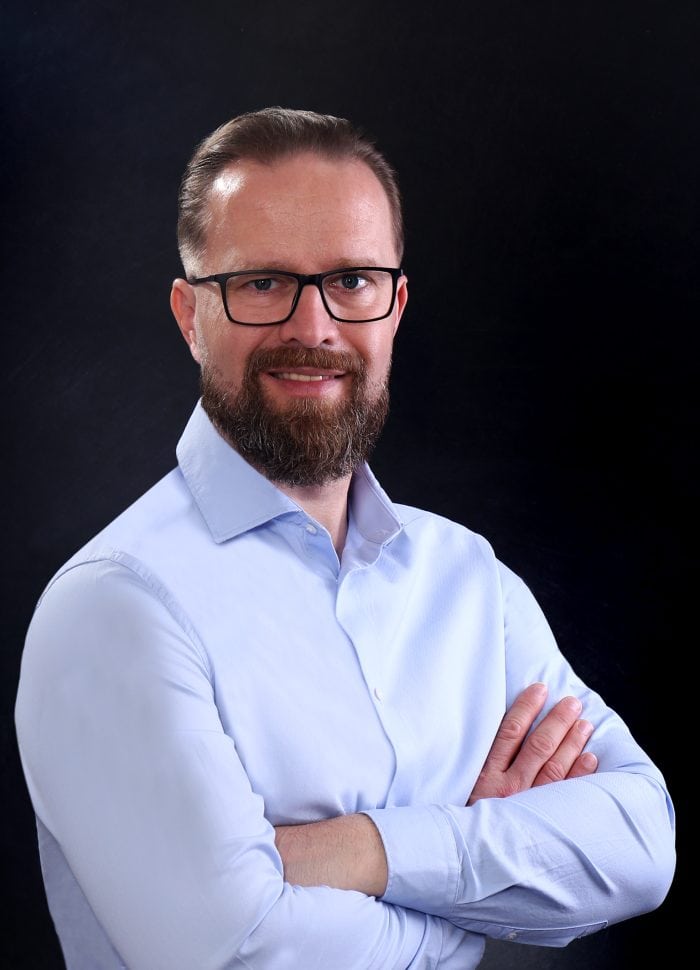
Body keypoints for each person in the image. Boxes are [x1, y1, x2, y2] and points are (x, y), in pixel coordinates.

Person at [15, 107, 675, 970]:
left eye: (353, 281)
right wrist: (474, 895)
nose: (314, 328)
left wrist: (364, 851)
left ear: (395, 305)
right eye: (262, 283)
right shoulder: (115, 606)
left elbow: (641, 844)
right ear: (189, 316)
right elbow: (237, 954)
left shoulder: (469, 582)